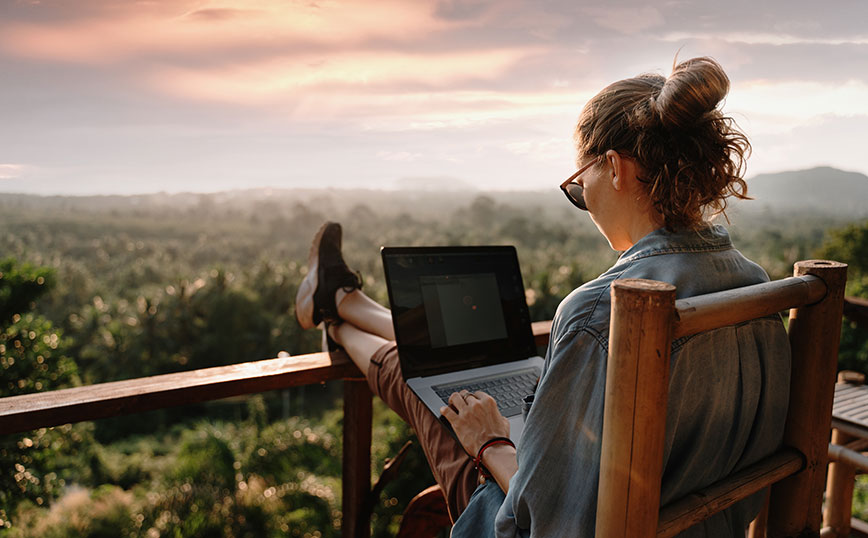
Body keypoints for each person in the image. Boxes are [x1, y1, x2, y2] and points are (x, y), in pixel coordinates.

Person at [294, 56, 790, 537]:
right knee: (451, 368)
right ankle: (342, 305)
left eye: (579, 185)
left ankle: (336, 316)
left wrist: (490, 443)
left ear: (614, 168)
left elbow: (552, 523)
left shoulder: (600, 312)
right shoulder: (755, 286)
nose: (583, 200)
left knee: (430, 383)